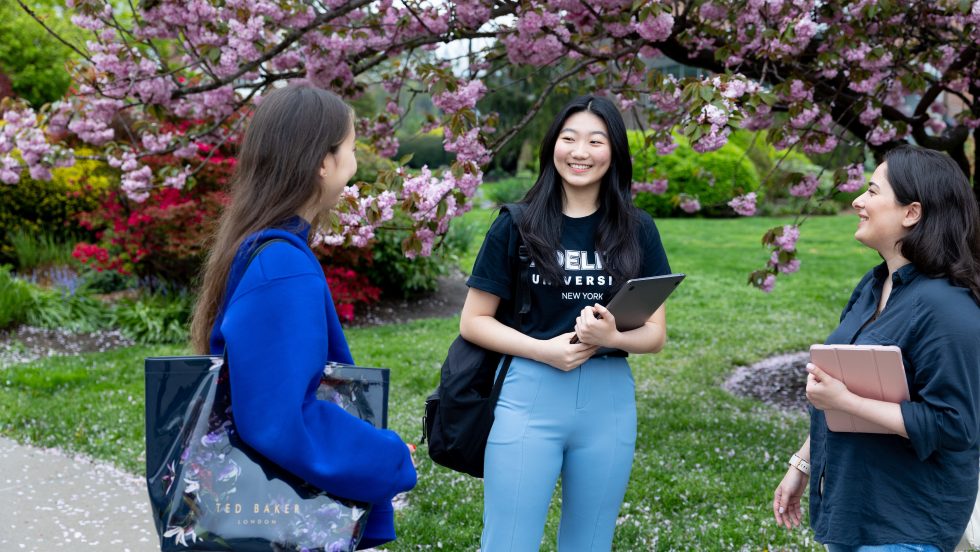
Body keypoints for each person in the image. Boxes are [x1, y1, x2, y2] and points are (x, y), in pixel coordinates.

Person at [189, 83, 417, 549]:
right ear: (322, 162)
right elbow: (279, 420)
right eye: (351, 149)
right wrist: (386, 455)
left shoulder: (263, 247)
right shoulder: (282, 266)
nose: (355, 165)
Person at [460, 95, 672, 550]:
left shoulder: (638, 228)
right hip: (530, 393)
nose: (580, 152)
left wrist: (613, 336)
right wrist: (544, 350)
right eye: (568, 138)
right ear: (551, 146)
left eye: (596, 140)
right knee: (507, 542)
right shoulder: (515, 224)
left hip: (609, 401)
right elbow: (474, 321)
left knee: (590, 544)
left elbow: (655, 334)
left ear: (613, 150)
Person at [772, 144, 980, 551]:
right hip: (854, 508)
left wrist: (844, 400)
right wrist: (804, 461)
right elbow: (846, 387)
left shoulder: (947, 307)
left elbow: (956, 426)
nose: (857, 201)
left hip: (906, 524)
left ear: (911, 213)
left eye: (871, 191)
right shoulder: (873, 287)